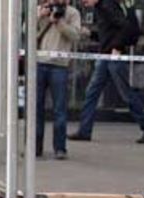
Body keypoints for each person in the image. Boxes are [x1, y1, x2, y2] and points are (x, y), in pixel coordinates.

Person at [68, 0, 144, 144]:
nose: (84, 3)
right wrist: (91, 34)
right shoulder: (101, 7)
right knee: (92, 92)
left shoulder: (107, 6)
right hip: (106, 55)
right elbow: (109, 33)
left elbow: (126, 27)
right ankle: (84, 130)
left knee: (125, 94)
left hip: (113, 56)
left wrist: (117, 47)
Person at [36, 0, 81, 160]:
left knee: (59, 109)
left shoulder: (72, 13)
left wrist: (59, 22)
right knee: (36, 108)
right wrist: (39, 16)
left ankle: (60, 148)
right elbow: (25, 32)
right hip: (39, 63)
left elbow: (75, 35)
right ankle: (35, 147)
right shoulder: (41, 9)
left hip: (59, 65)